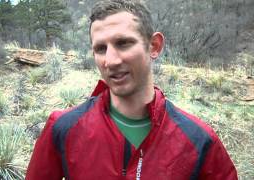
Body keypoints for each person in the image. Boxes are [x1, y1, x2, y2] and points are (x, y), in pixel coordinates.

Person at [26, 0, 238, 179]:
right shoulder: (63, 128)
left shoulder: (198, 140)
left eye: (123, 43)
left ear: (154, 46)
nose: (110, 60)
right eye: (100, 49)